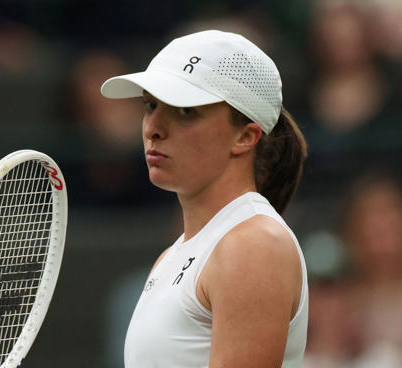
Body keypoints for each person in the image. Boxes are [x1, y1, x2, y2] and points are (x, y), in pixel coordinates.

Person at [100, 30, 309, 367]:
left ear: (244, 136)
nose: (153, 127)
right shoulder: (171, 257)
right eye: (150, 105)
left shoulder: (253, 245)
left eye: (184, 110)